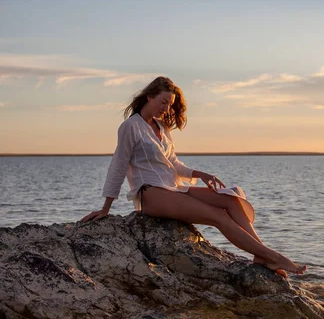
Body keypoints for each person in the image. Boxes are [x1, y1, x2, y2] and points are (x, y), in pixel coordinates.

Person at [82, 76, 306, 277]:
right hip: (151, 193)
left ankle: (262, 255)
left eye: (170, 104)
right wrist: (106, 208)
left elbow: (173, 164)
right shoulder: (130, 127)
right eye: (163, 102)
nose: (166, 108)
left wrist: (200, 174)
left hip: (172, 188)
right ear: (149, 97)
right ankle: (274, 257)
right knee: (219, 216)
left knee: (231, 199)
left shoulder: (161, 127)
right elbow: (118, 166)